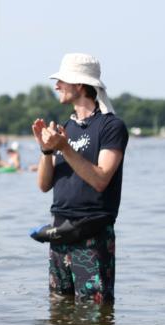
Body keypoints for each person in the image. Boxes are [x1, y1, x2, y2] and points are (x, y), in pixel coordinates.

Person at [31, 54, 128, 304]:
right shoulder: (66, 128)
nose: (56, 86)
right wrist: (46, 150)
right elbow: (43, 185)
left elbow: (101, 179)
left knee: (95, 313)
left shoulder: (111, 127)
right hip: (59, 232)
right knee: (58, 311)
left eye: (62, 80)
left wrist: (64, 148)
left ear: (80, 85)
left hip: (92, 235)